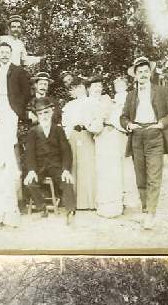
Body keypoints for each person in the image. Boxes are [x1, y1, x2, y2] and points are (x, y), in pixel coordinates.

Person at [120, 56, 168, 230]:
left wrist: (161, 123)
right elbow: (123, 116)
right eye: (140, 72)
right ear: (135, 75)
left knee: (154, 176)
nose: (143, 74)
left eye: (146, 71)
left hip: (155, 134)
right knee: (141, 177)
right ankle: (146, 209)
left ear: (150, 73)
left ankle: (151, 214)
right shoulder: (131, 95)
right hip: (137, 136)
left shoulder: (161, 91)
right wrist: (129, 124)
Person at [24, 97, 77, 223]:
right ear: (37, 115)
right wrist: (31, 170)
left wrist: (65, 169)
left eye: (46, 112)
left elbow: (66, 151)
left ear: (51, 112)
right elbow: (29, 153)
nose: (44, 116)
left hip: (56, 166)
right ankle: (42, 208)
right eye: (40, 113)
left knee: (66, 180)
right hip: (39, 166)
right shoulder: (33, 132)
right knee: (30, 183)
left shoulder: (58, 130)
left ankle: (70, 211)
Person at [84, 75, 124, 218]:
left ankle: (116, 206)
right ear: (88, 89)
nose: (97, 89)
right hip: (100, 138)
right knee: (103, 171)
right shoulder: (86, 104)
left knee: (114, 170)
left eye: (100, 86)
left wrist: (111, 124)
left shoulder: (107, 101)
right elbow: (90, 125)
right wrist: (99, 121)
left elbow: (117, 117)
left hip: (112, 135)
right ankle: (105, 206)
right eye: (94, 86)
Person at [0, 42, 31, 152]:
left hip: (12, 107)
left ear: (10, 54)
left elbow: (26, 92)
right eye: (2, 52)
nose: (4, 55)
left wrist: (19, 108)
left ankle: (11, 165)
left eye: (7, 52)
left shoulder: (19, 71)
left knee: (10, 137)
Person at [62, 79, 96, 210]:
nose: (79, 90)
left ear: (85, 88)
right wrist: (68, 136)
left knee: (88, 167)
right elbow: (65, 123)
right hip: (73, 135)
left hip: (88, 134)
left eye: (81, 87)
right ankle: (76, 203)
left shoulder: (92, 102)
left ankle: (90, 202)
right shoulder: (70, 105)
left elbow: (96, 119)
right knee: (74, 166)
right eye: (75, 88)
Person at [112, 75, 140, 210]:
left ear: (126, 86)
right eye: (116, 85)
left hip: (125, 131)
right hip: (116, 133)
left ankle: (130, 197)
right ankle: (120, 195)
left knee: (127, 164)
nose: (119, 87)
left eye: (121, 85)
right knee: (119, 164)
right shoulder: (115, 99)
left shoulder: (127, 98)